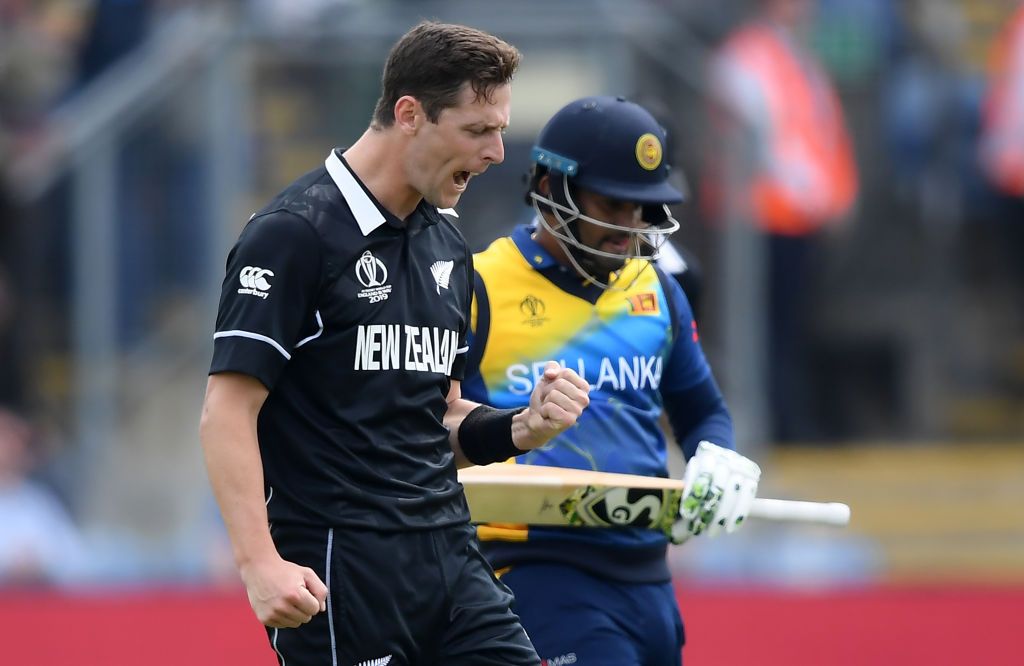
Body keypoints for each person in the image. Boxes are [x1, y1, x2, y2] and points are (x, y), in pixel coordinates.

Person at [198, 20, 592, 666]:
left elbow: (439, 418)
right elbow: (226, 414)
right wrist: (258, 564)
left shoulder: (447, 243)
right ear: (410, 114)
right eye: (477, 130)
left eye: (499, 129)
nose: (497, 152)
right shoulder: (293, 235)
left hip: (450, 558)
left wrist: (521, 427)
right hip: (340, 569)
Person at [460, 95, 762, 666]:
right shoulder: (477, 285)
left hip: (648, 575)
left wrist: (717, 455)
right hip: (533, 569)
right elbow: (437, 425)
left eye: (642, 209)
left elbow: (700, 410)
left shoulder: (660, 290)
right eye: (612, 205)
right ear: (550, 189)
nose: (629, 228)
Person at [702, 0, 859, 442]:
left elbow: (818, 134)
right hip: (762, 219)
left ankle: (785, 422)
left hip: (791, 217)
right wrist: (819, 196)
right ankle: (776, 426)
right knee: (767, 331)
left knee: (786, 329)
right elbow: (767, 143)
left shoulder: (792, 56)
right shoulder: (748, 56)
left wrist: (832, 196)